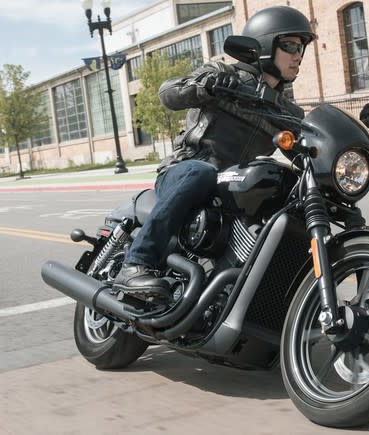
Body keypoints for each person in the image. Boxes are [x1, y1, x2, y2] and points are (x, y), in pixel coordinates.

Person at [113, 6, 317, 302]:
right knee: (201, 172)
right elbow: (168, 92)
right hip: (188, 169)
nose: (298, 55)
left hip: (233, 187)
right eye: (290, 46)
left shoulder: (288, 112)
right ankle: (136, 264)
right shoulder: (223, 74)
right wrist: (203, 87)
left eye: (301, 48)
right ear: (263, 46)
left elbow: (307, 148)